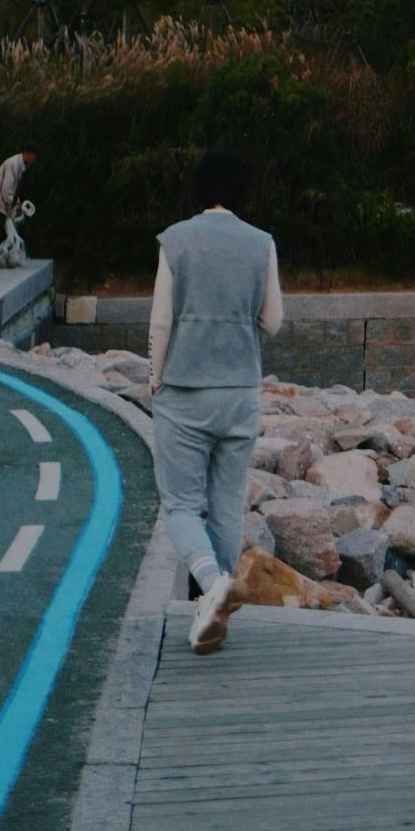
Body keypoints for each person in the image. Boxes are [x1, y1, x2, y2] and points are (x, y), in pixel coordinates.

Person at [148, 149, 284, 655]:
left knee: (182, 504)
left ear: (199, 189)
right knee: (226, 507)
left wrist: (155, 378)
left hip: (185, 391)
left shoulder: (175, 239)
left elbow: (162, 321)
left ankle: (210, 584)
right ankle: (214, 609)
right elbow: (272, 321)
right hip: (240, 393)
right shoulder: (261, 242)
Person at [0, 149, 36, 261]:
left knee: (0, 229)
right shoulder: (13, 164)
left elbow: (13, 186)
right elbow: (6, 188)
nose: (34, 160)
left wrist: (17, 201)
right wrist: (9, 207)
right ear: (28, 154)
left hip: (0, 199)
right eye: (33, 157)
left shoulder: (21, 165)